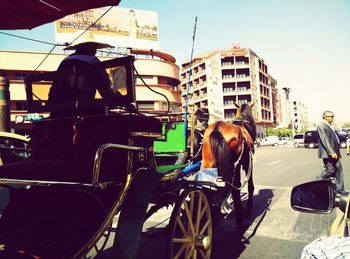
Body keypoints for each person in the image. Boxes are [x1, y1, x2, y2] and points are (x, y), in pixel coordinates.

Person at [48, 31, 116, 117]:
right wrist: (116, 101)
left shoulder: (64, 62)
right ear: (89, 46)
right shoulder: (93, 61)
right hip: (84, 111)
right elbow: (105, 88)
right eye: (94, 47)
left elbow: (54, 90)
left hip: (61, 112)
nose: (95, 51)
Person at [317, 110, 344, 194]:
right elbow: (325, 140)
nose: (333, 118)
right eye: (331, 116)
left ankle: (340, 191)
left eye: (333, 116)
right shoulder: (321, 126)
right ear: (326, 117)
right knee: (331, 170)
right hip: (328, 154)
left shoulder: (329, 125)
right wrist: (331, 152)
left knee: (339, 170)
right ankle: (317, 180)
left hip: (335, 153)